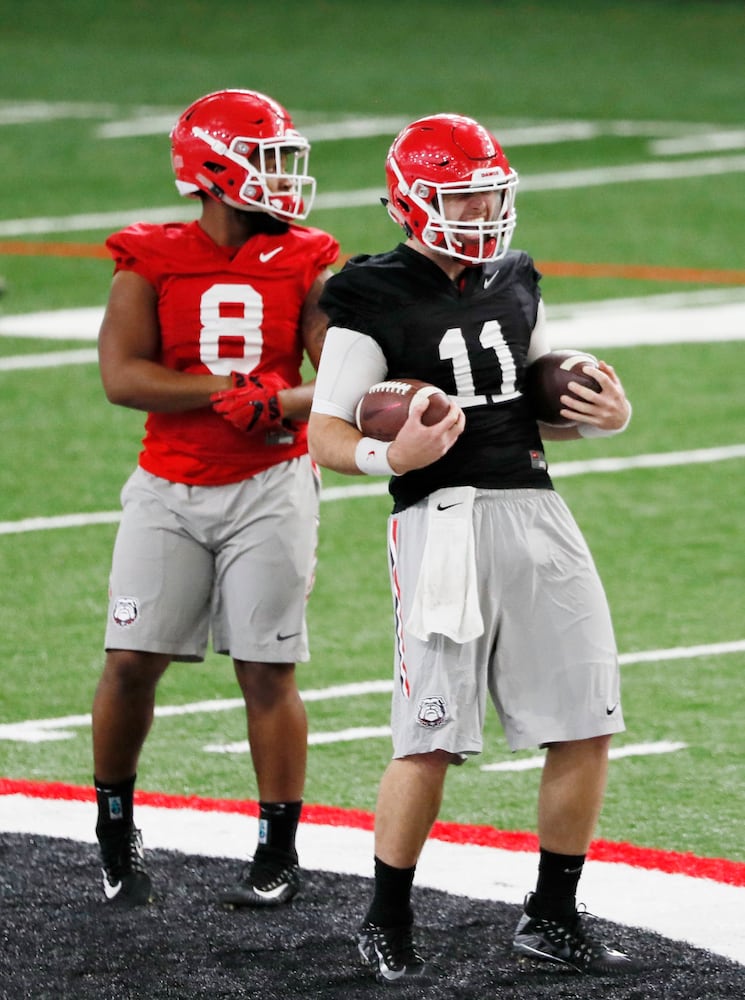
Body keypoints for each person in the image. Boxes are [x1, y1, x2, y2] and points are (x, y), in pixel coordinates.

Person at [307, 113, 636, 984]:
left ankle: (552, 915)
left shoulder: (516, 277)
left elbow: (527, 404)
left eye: (490, 191)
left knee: (585, 719)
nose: (485, 210)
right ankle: (386, 917)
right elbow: (327, 432)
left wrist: (598, 418)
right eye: (463, 196)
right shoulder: (367, 293)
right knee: (429, 735)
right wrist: (387, 455)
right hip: (440, 519)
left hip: (535, 510)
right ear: (411, 201)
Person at [92, 88, 339, 908]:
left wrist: (280, 402)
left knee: (268, 667)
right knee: (130, 661)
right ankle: (114, 825)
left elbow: (339, 373)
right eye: (265, 156)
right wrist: (222, 390)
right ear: (209, 166)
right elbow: (123, 377)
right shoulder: (149, 255)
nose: (281, 175)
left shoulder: (307, 258)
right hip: (167, 484)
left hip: (271, 482)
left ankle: (277, 848)